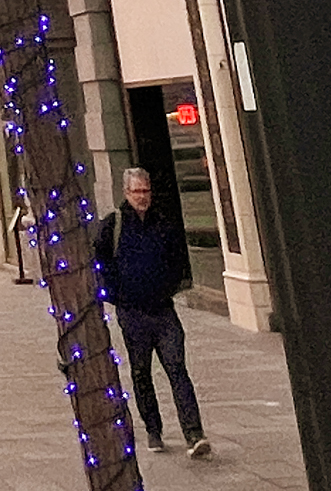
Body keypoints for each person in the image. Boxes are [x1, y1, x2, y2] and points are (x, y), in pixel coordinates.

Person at [94, 166, 207, 458]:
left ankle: (194, 433)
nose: (142, 197)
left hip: (163, 310)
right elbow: (101, 262)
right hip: (132, 313)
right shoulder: (114, 224)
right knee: (141, 372)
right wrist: (117, 295)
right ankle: (153, 430)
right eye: (137, 192)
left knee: (177, 369)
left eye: (146, 191)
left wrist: (170, 286)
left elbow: (177, 258)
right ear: (126, 193)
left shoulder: (162, 223)